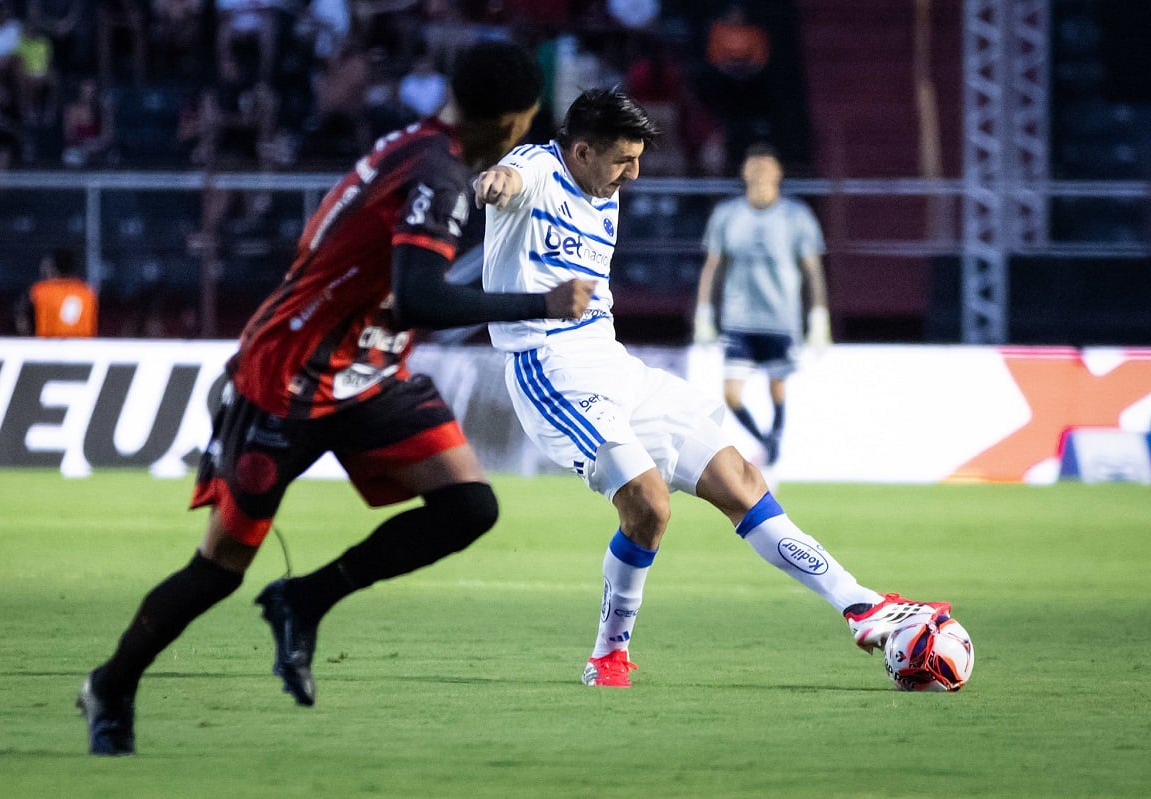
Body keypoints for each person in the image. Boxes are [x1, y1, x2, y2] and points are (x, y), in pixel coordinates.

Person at [78, 40, 593, 756]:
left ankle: (304, 599)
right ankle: (111, 684)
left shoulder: (417, 147)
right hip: (288, 378)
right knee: (217, 572)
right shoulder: (437, 174)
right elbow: (416, 297)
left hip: (366, 372)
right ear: (510, 121)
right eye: (525, 123)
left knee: (468, 504)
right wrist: (544, 302)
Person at [475, 87, 949, 688]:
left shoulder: (606, 188)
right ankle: (609, 655)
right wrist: (494, 183)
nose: (634, 172)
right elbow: (506, 178)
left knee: (742, 481)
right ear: (583, 150)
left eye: (639, 158)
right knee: (648, 504)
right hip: (550, 369)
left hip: (615, 366)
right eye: (623, 158)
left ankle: (861, 606)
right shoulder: (538, 169)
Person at [693, 142, 829, 466]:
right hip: (739, 319)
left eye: (767, 167)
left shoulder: (797, 216)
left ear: (779, 172)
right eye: (754, 167)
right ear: (744, 172)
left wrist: (819, 316)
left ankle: (776, 436)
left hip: (781, 318)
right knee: (731, 393)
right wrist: (704, 313)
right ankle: (764, 441)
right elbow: (713, 266)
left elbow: (812, 270)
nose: (760, 174)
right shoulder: (727, 215)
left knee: (777, 385)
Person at [14, 247, 98, 337]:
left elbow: (21, 314)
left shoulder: (39, 291)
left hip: (48, 347)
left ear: (53, 267)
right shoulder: (88, 292)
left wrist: (26, 337)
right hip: (84, 347)